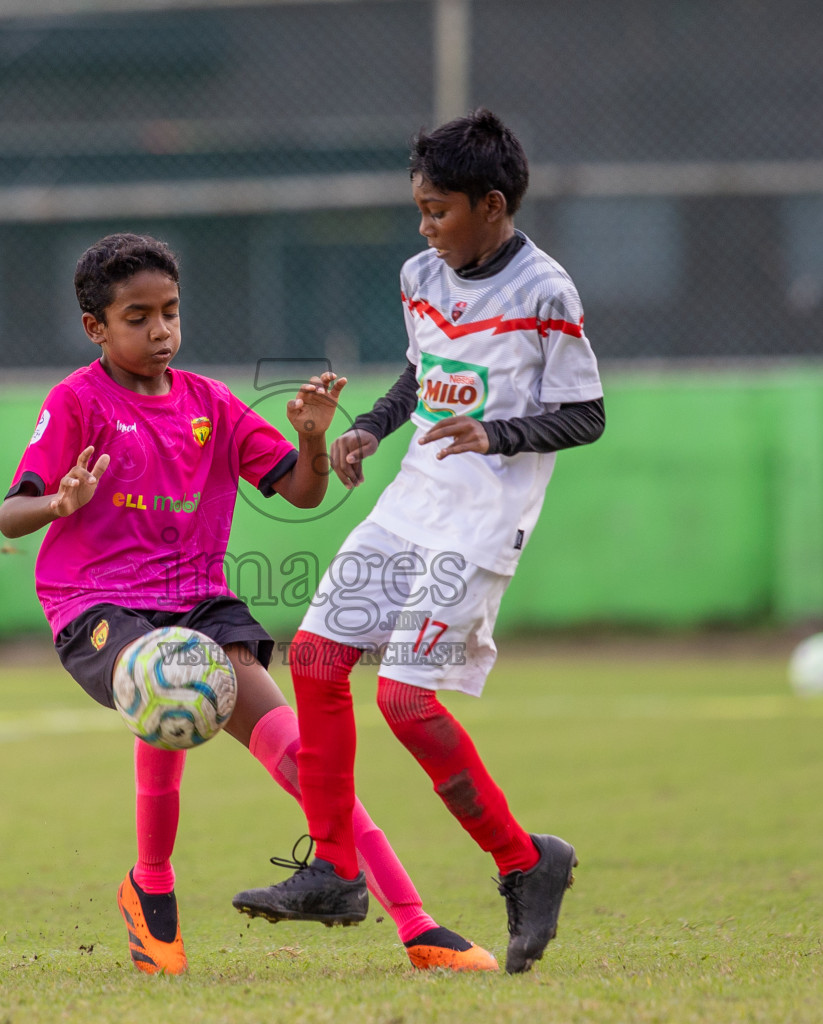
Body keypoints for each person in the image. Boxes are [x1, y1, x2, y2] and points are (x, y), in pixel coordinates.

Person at [0, 232, 496, 975]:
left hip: (199, 605)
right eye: (137, 317)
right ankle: (155, 888)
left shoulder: (212, 405)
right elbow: (11, 515)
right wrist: (56, 503)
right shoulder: (75, 402)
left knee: (306, 763)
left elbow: (302, 488)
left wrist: (313, 440)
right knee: (168, 677)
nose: (160, 330)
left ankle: (418, 927)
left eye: (169, 311)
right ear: (95, 327)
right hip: (97, 606)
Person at [230, 111, 606, 974]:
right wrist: (368, 429)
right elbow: (419, 371)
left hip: (479, 524)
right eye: (420, 210)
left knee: (404, 702)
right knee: (318, 659)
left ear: (493, 204)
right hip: (409, 507)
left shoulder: (547, 291)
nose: (426, 226)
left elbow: (587, 414)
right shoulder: (420, 274)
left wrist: (497, 436)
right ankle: (333, 867)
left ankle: (523, 860)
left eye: (439, 210)